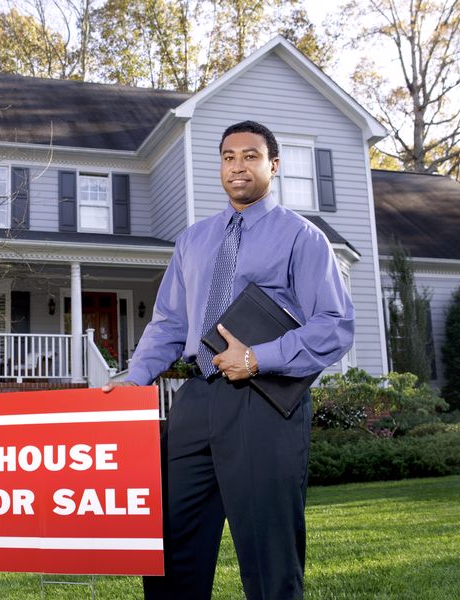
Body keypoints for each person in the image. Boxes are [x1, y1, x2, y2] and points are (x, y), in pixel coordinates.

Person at [104, 120, 354, 600]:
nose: (237, 166)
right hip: (196, 400)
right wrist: (135, 378)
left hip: (263, 401)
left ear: (273, 166)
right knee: (169, 544)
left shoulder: (303, 238)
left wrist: (258, 358)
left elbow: (334, 325)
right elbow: (169, 323)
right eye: (228, 156)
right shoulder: (193, 241)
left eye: (250, 156)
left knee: (267, 552)